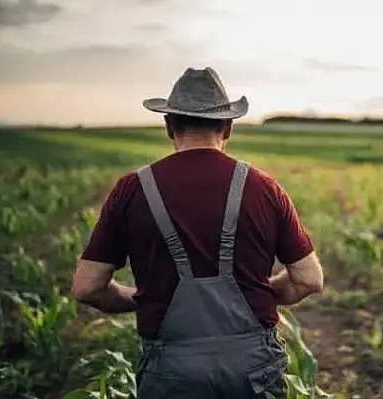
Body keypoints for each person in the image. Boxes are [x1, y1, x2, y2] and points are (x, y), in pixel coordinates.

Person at [71, 66, 325, 398]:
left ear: (168, 126)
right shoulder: (264, 188)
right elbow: (308, 279)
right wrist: (259, 292)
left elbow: (87, 287)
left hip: (170, 368)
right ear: (228, 127)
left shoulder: (132, 190)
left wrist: (140, 299)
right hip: (252, 367)